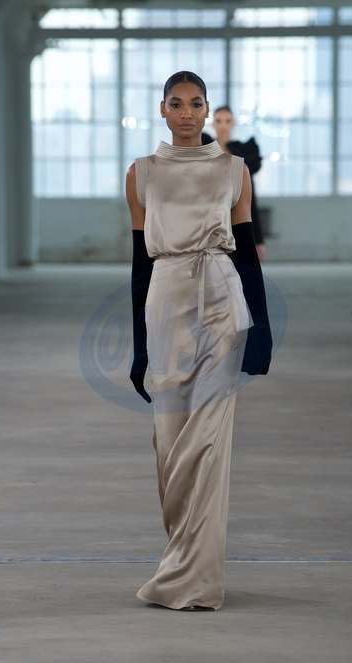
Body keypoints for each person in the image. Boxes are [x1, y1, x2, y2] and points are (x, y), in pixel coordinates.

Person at [126, 71, 272, 611]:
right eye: (176, 103)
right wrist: (140, 348)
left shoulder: (234, 171)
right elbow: (140, 264)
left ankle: (199, 580)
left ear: (207, 110)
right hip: (165, 299)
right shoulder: (141, 173)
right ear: (162, 110)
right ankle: (181, 559)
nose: (186, 113)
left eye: (195, 103)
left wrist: (261, 329)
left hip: (220, 299)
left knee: (208, 436)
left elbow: (247, 252)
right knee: (170, 439)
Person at [202, 106, 266, 262]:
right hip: (207, 221)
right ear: (213, 124)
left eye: (227, 121)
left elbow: (250, 200)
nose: (223, 125)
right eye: (219, 121)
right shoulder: (202, 150)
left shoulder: (243, 153)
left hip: (236, 220)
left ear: (233, 124)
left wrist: (258, 239)